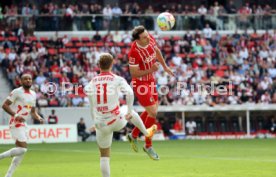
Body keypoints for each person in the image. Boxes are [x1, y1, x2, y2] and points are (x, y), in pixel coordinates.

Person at [85, 53, 157, 177]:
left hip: (100, 124)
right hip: (116, 120)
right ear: (112, 64)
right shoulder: (117, 79)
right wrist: (129, 110)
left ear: (98, 66)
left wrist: (95, 122)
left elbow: (91, 104)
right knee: (129, 111)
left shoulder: (92, 82)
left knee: (104, 156)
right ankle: (146, 133)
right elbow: (129, 93)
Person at [127, 25, 174, 160]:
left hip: (151, 81)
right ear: (137, 40)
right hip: (140, 83)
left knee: (151, 112)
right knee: (153, 112)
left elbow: (157, 51)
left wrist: (165, 67)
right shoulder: (134, 52)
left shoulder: (150, 39)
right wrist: (152, 69)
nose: (148, 38)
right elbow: (134, 73)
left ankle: (134, 134)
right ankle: (148, 145)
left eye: (148, 35)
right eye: (144, 37)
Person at [0, 73, 44, 177]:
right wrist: (15, 115)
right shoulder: (17, 92)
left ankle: (8, 175)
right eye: (25, 79)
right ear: (21, 81)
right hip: (15, 122)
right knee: (23, 149)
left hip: (24, 123)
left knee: (21, 151)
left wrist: (39, 117)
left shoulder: (33, 94)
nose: (28, 80)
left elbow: (33, 112)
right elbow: (4, 105)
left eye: (29, 79)